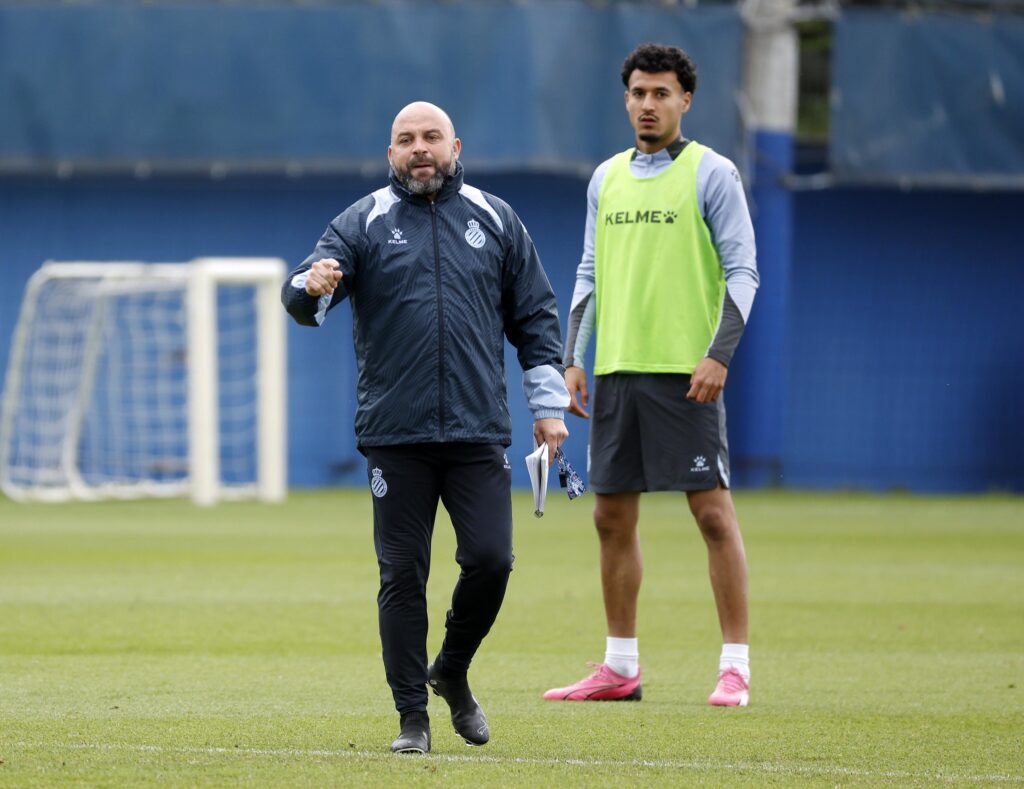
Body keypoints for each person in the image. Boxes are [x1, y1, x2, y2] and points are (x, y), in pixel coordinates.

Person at [282, 102, 570, 753]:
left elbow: (536, 318)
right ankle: (413, 716)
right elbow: (302, 296)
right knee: (402, 573)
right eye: (406, 140)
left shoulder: (497, 220)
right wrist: (312, 284)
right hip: (395, 435)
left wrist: (547, 407)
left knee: (493, 560)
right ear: (390, 155)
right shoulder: (362, 221)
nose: (420, 148)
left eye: (430, 137)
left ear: (455, 145)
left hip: (477, 433)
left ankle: (453, 670)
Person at [543, 43, 759, 707]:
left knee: (713, 514)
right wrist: (573, 358)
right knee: (609, 516)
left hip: (686, 375)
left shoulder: (712, 173)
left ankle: (735, 665)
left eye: (661, 93)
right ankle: (620, 665)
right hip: (615, 373)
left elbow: (743, 271)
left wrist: (719, 353)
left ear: (685, 100)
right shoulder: (605, 178)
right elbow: (588, 271)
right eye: (638, 92)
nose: (647, 104)